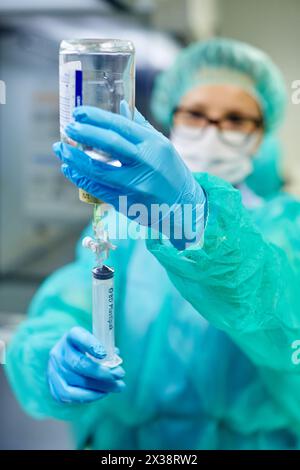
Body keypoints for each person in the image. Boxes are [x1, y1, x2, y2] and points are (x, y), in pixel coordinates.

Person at [6, 38, 300, 450]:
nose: (212, 132)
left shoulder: (288, 225)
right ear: (170, 118)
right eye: (196, 114)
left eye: (235, 119)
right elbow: (68, 303)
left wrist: (197, 222)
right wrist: (51, 356)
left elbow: (284, 324)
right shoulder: (122, 222)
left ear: (262, 134)